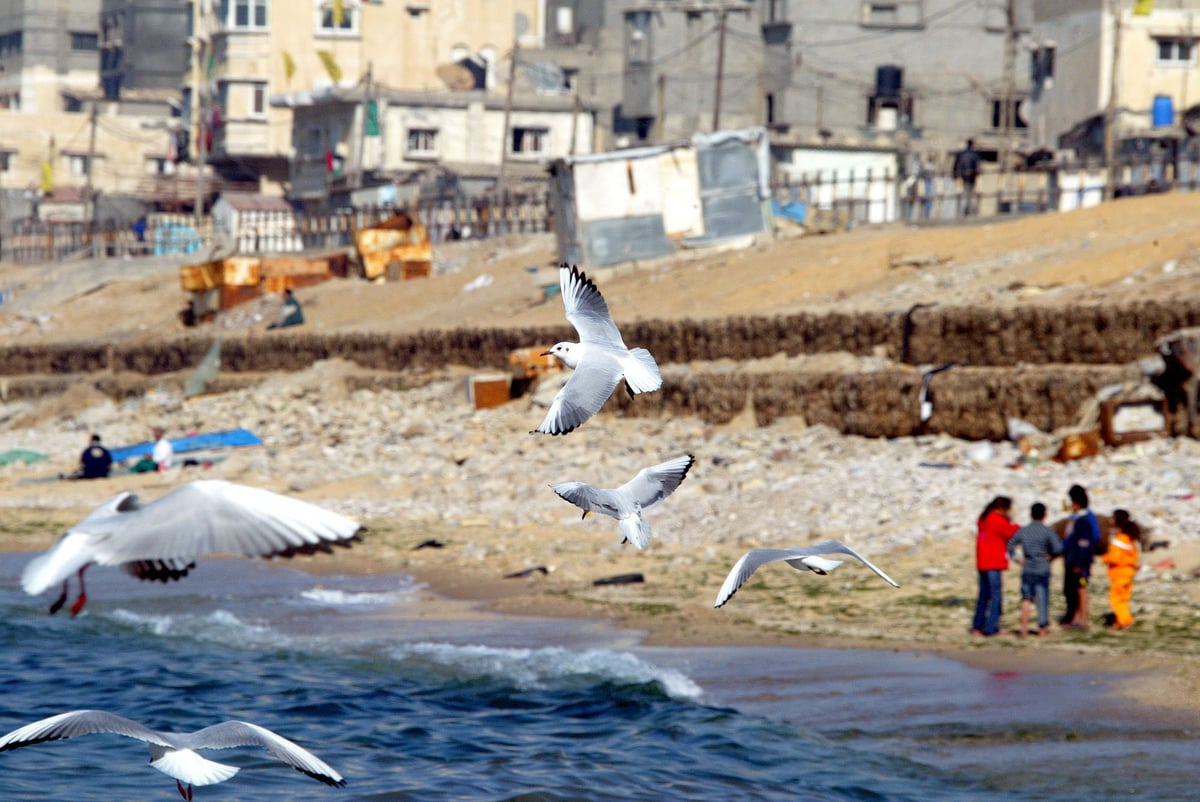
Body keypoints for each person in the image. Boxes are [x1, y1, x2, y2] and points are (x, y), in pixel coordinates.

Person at [1006, 502, 1062, 637]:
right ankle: (1042, 629)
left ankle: (1024, 628)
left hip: (1028, 565)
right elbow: (1058, 548)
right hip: (1042, 565)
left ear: (1030, 514)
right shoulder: (1047, 531)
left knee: (1026, 598)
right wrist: (1051, 556)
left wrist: (1017, 559)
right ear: (1045, 515)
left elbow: (1010, 545)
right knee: (1042, 596)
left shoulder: (1024, 530)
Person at [972, 495, 1019, 637]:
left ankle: (977, 626)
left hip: (982, 561)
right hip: (993, 561)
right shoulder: (998, 520)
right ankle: (991, 628)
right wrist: (1015, 524)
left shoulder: (983, 518)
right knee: (996, 596)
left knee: (983, 596)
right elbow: (1009, 533)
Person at [1060, 484, 1100, 629]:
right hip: (1072, 559)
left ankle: (1082, 619)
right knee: (1072, 589)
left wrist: (1080, 562)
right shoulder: (1075, 518)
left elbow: (1086, 543)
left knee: (1081, 589)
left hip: (1079, 562)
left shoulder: (1084, 520)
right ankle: (1075, 617)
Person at [1102, 509, 1140, 630]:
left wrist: (1105, 558)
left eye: (1112, 518)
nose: (1110, 520)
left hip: (1119, 573)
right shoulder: (1129, 538)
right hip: (1129, 572)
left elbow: (1115, 558)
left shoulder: (1118, 540)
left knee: (1115, 599)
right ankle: (1120, 621)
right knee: (1124, 598)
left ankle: (1125, 621)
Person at [952, 138, 981, 217]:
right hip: (970, 178)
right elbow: (978, 167)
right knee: (968, 195)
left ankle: (959, 213)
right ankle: (965, 213)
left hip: (960, 177)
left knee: (960, 194)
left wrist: (955, 176)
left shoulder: (961, 154)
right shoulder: (974, 155)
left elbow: (955, 165)